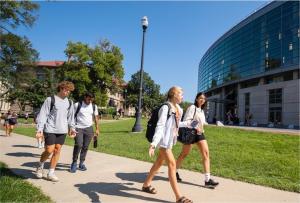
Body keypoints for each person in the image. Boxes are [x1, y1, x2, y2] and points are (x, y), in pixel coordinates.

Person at [142, 86, 193, 203]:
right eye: (181, 93)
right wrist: (154, 144)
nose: (182, 96)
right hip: (163, 142)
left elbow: (177, 124)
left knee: (159, 162)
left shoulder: (178, 109)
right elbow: (160, 126)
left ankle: (146, 185)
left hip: (169, 141)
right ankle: (179, 197)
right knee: (172, 164)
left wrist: (189, 124)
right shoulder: (165, 108)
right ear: (174, 94)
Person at [35, 81, 76, 182]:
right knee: (49, 149)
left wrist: (72, 128)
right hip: (50, 128)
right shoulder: (50, 100)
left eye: (69, 90)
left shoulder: (70, 102)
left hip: (62, 130)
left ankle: (51, 172)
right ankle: (40, 166)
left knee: (57, 150)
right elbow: (43, 114)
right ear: (61, 88)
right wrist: (40, 129)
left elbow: (71, 117)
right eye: (66, 89)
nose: (67, 92)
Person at [176, 92, 219, 188]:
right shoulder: (192, 108)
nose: (202, 100)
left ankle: (207, 180)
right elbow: (187, 121)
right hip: (190, 133)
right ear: (196, 99)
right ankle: (174, 172)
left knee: (206, 154)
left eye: (203, 99)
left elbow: (202, 122)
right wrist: (196, 127)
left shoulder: (201, 111)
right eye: (200, 98)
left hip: (200, 134)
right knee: (184, 154)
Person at [70, 92, 99, 173]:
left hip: (89, 128)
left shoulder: (94, 106)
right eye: (89, 99)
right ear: (85, 97)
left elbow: (96, 117)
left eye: (91, 99)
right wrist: (71, 128)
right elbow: (71, 116)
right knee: (79, 145)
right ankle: (74, 162)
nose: (90, 101)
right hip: (78, 128)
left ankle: (81, 163)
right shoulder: (77, 105)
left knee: (85, 146)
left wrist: (97, 129)